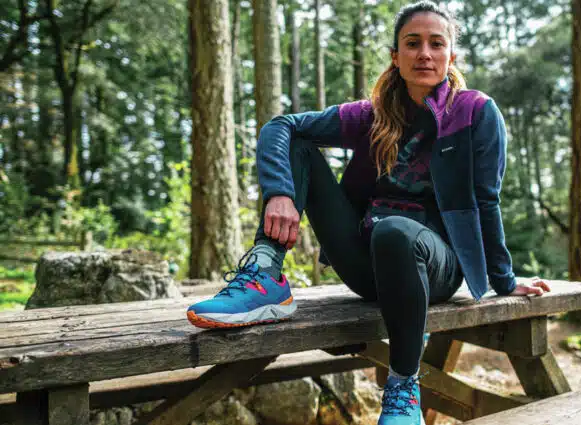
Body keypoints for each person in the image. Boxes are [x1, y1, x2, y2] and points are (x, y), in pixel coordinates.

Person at [186, 2, 550, 424]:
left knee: (395, 230)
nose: (424, 54)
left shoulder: (475, 113)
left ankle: (402, 389)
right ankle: (266, 276)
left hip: (438, 269)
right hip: (366, 266)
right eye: (412, 44)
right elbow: (278, 127)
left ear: (452, 56)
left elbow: (487, 200)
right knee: (300, 142)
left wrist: (504, 280)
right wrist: (279, 194)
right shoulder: (372, 115)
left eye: (436, 44)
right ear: (396, 56)